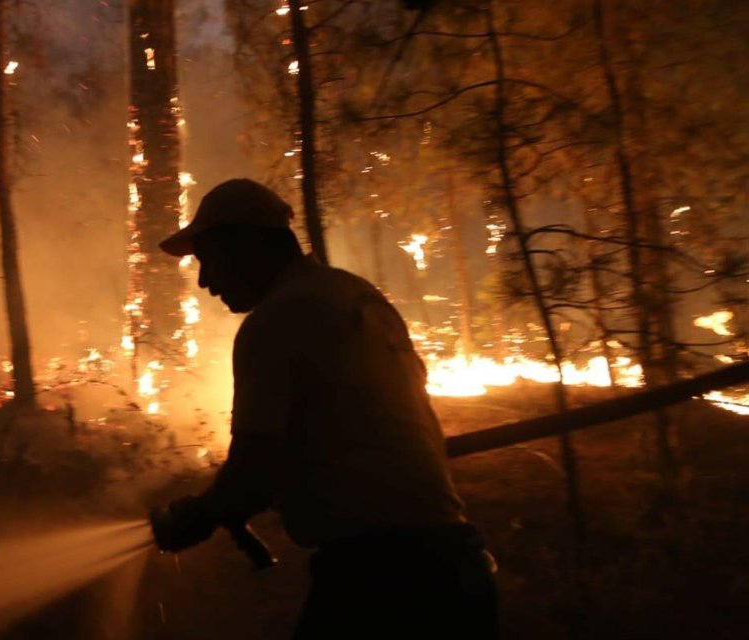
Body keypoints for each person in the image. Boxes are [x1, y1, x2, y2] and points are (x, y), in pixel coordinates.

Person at [149, 179, 498, 639]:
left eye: (208, 259)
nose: (205, 281)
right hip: (460, 570)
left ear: (248, 244)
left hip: (382, 584)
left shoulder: (274, 322)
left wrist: (196, 516)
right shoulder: (355, 296)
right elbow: (355, 435)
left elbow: (253, 471)